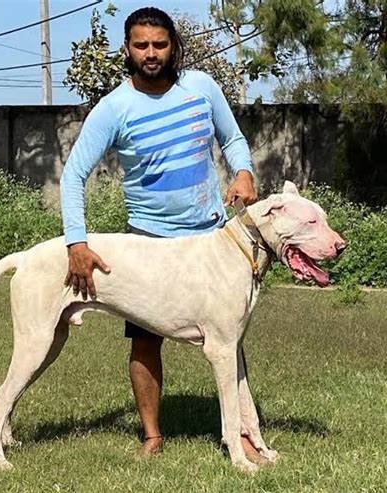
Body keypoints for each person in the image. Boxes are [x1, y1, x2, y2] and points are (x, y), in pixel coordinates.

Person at [60, 7, 260, 460]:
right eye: (141, 45)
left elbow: (232, 140)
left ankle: (245, 433)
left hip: (211, 236)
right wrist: (77, 242)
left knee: (231, 339)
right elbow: (73, 175)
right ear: (127, 49)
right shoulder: (113, 108)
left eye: (160, 44)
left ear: (174, 46)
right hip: (148, 242)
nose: (151, 54)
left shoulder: (202, 88)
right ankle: (152, 436)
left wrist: (243, 172)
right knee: (146, 340)